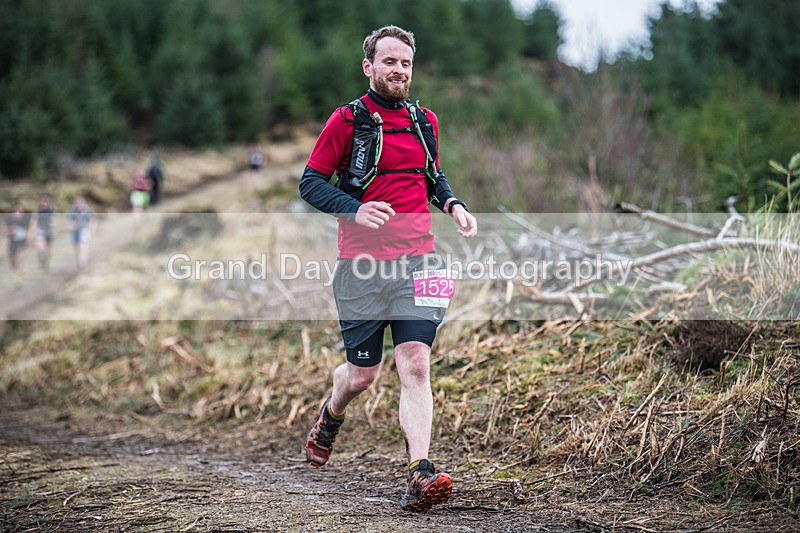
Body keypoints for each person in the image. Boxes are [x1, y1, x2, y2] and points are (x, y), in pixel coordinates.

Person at [299, 25, 477, 512]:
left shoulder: (425, 121)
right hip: (360, 267)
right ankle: (330, 416)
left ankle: (420, 472)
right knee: (362, 377)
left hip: (419, 261)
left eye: (406, 63)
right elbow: (310, 184)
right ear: (369, 67)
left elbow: (432, 174)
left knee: (416, 363)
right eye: (390, 62)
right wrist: (354, 209)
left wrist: (453, 204)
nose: (399, 70)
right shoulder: (347, 121)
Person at [68, 195, 95, 269]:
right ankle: (79, 263)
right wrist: (71, 226)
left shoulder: (87, 210)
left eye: (80, 202)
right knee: (77, 248)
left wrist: (91, 228)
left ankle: (83, 262)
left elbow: (92, 220)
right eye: (77, 203)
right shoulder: (73, 210)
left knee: (83, 246)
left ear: (83, 203)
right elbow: (71, 220)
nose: (78, 204)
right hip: (75, 231)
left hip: (84, 230)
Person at [5, 203, 32, 273]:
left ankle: (21, 269)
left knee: (22, 255)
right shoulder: (9, 219)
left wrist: (29, 234)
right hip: (12, 241)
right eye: (16, 211)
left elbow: (31, 225)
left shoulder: (25, 218)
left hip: (22, 240)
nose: (18, 213)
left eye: (20, 211)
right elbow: (4, 230)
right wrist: (11, 229)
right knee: (12, 257)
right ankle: (14, 265)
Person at [33, 194, 56, 271]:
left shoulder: (51, 210)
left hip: (49, 231)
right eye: (43, 201)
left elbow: (53, 220)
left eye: (46, 201)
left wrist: (52, 223)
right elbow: (35, 220)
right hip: (40, 230)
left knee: (48, 250)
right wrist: (33, 230)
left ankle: (46, 263)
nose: (44, 203)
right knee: (40, 248)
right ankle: (41, 260)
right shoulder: (38, 210)